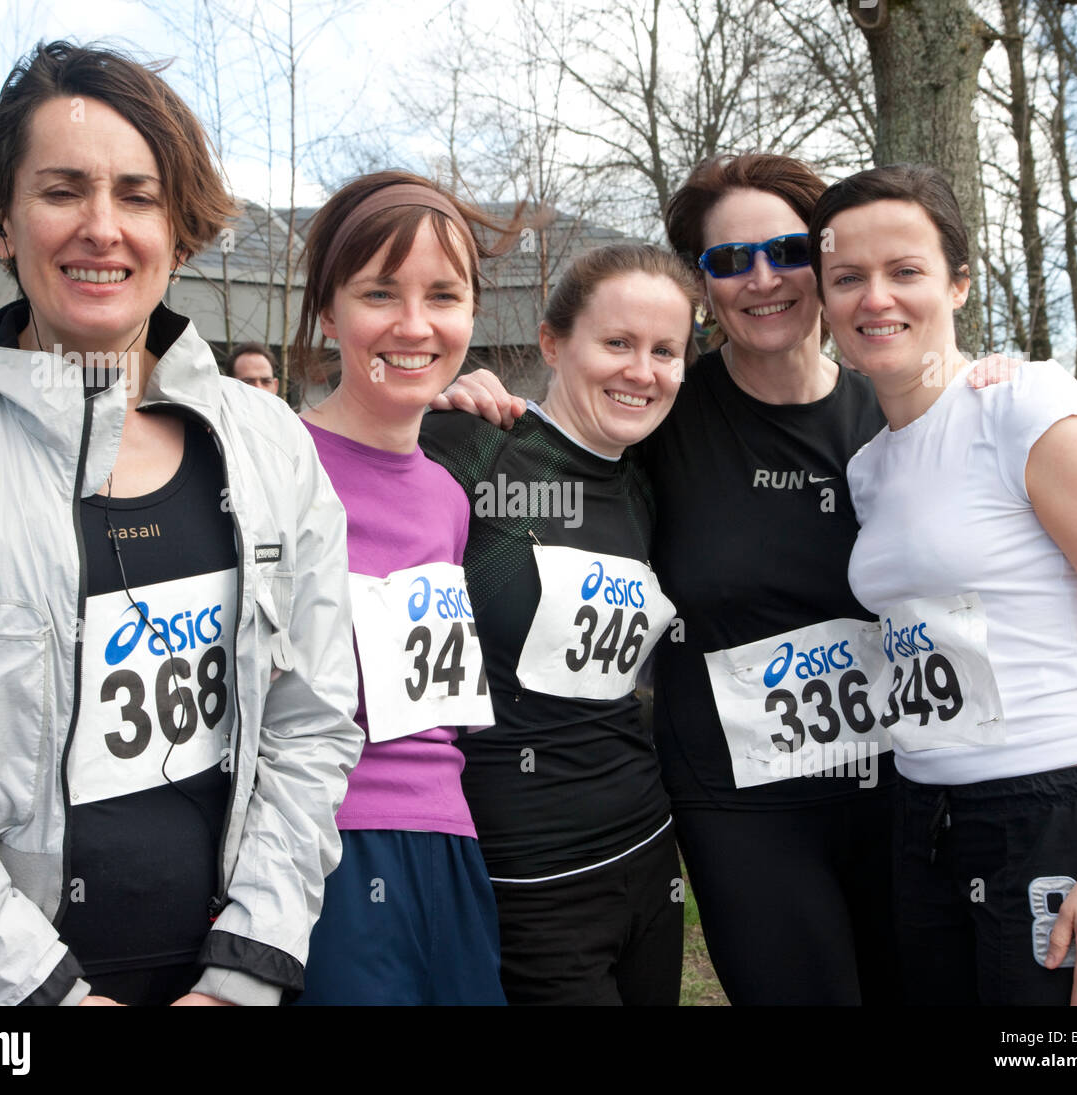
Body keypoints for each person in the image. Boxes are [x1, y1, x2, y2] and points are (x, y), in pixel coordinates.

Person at [0, 41, 362, 1006]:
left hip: (221, 980)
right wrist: (35, 989)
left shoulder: (273, 443)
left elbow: (312, 724)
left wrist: (245, 971)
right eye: (62, 190)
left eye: (138, 196)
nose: (102, 228)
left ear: (178, 231)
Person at [436, 153, 902, 1005]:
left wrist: (993, 384)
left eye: (787, 250)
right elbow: (569, 435)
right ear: (706, 284)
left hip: (897, 793)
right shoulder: (667, 413)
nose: (761, 279)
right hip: (741, 810)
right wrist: (461, 402)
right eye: (728, 261)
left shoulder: (895, 411)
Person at [811, 162, 1077, 1005]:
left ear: (960, 283)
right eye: (848, 278)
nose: (876, 299)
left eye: (906, 271)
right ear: (825, 303)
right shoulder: (869, 467)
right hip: (929, 818)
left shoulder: (1027, 404)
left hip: (1059, 807)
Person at [420, 243, 699, 1005]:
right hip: (525, 872)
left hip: (646, 852)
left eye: (664, 350)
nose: (641, 370)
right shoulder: (472, 444)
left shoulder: (645, 479)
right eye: (617, 343)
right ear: (552, 343)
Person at [288, 171, 518, 1005]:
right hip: (327, 851)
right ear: (329, 311)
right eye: (379, 292)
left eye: (444, 296)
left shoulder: (451, 492)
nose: (414, 325)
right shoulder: (276, 462)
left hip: (451, 844)